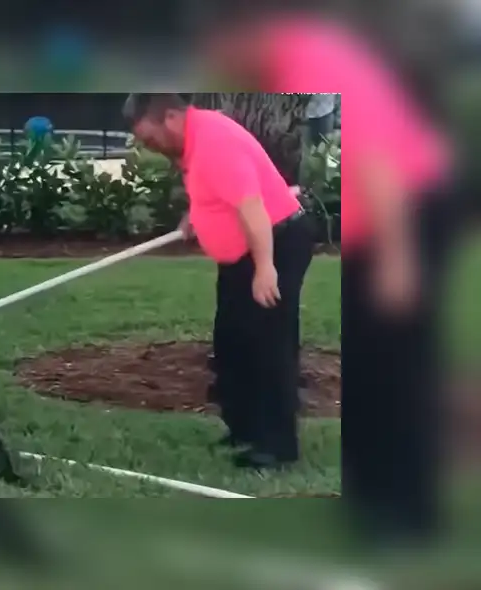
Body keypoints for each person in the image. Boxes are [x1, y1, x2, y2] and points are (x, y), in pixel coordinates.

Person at [197, 9, 459, 547]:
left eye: (218, 50)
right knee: (373, 357)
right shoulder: (290, 61)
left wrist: (398, 258)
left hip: (409, 209)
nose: (220, 66)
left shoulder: (315, 59)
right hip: (388, 215)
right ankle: (376, 493)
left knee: (393, 361)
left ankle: (408, 513)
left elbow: (376, 160)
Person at [123, 93, 314, 470]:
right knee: (232, 341)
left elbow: (252, 207)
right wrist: (197, 214)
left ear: (172, 117)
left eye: (150, 139)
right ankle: (243, 427)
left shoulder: (214, 143)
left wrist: (265, 269)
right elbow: (215, 189)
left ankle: (277, 446)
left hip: (273, 244)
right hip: (240, 256)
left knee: (268, 344)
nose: (151, 147)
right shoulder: (195, 138)